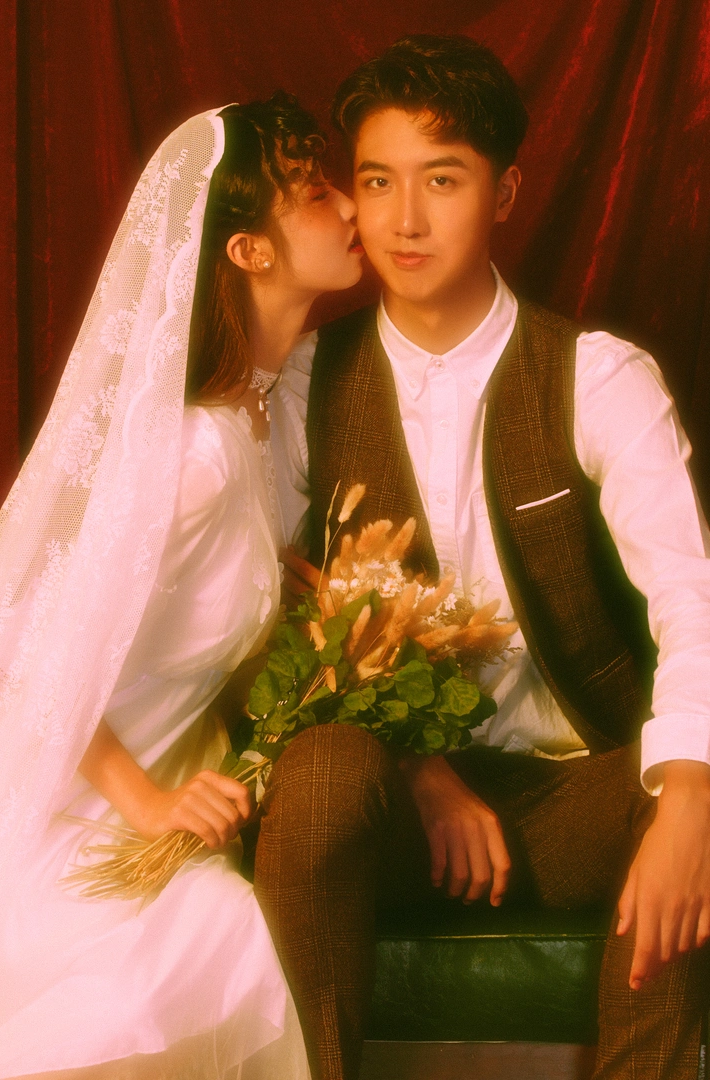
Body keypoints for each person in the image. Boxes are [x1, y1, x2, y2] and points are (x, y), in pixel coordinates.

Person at [263, 35, 710, 1080]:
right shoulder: (307, 384)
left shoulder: (596, 377)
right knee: (320, 771)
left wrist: (691, 799)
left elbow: (690, 597)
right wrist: (422, 774)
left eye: (443, 180)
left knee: (703, 791)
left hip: (567, 793)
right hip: (389, 810)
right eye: (378, 181)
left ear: (504, 192)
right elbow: (274, 609)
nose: (404, 221)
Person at [0, 93, 362, 1079]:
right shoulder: (191, 453)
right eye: (315, 193)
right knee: (200, 952)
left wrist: (277, 585)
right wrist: (149, 805)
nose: (351, 207)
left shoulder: (263, 419)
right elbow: (11, 646)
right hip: (59, 827)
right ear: (249, 251)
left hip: (152, 825)